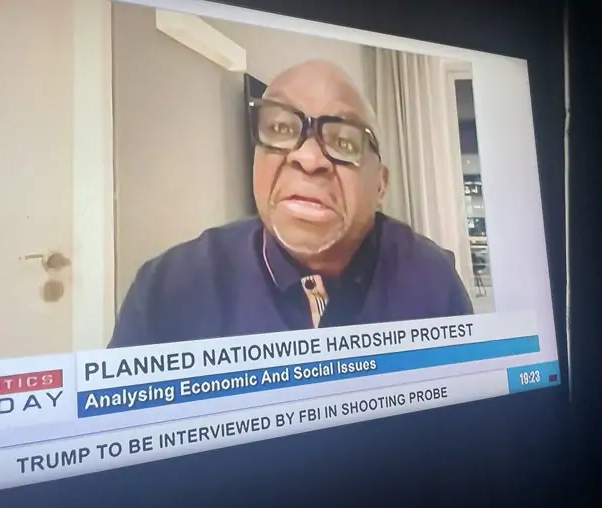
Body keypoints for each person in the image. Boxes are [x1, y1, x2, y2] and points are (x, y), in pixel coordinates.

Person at [109, 59, 473, 348]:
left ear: (381, 184)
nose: (309, 158)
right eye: (281, 129)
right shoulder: (167, 290)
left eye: (344, 142)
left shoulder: (432, 281)